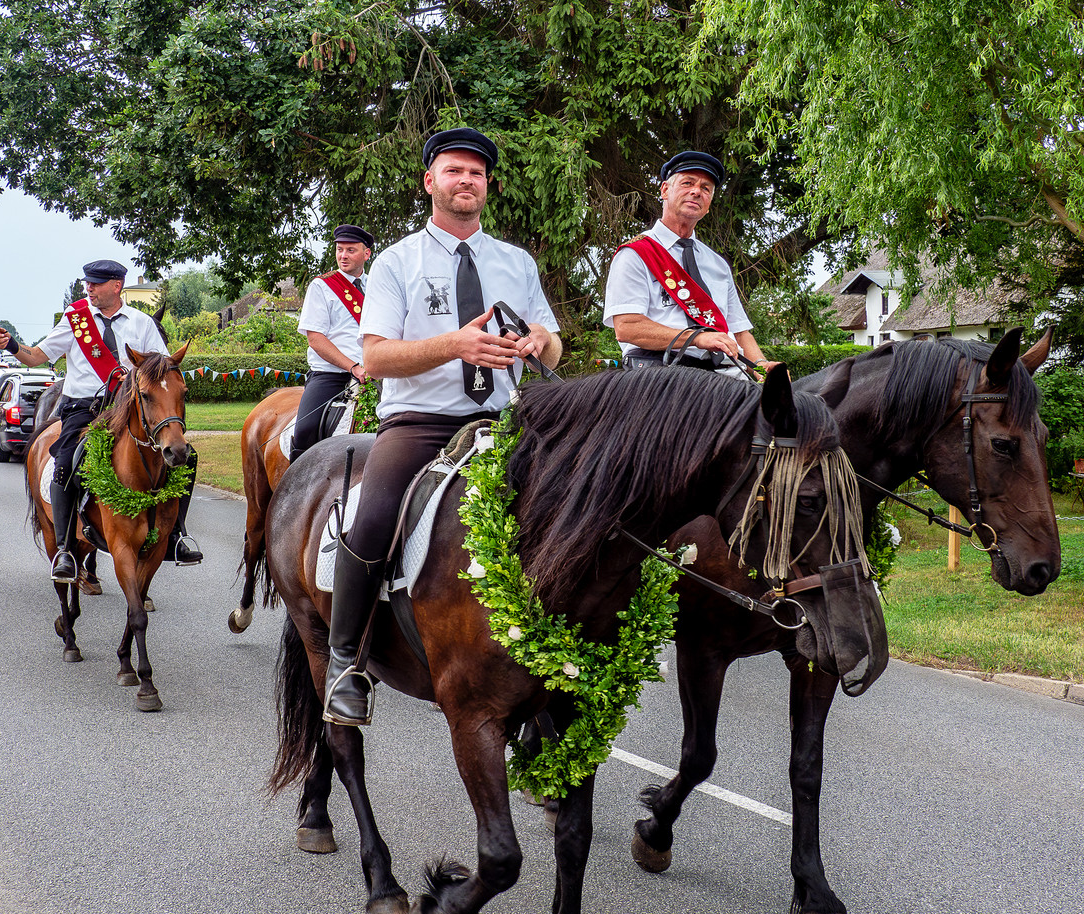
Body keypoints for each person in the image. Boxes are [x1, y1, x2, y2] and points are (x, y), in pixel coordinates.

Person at [325, 127, 562, 726]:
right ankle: (344, 662)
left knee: (579, 513)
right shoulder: (396, 263)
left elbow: (553, 346)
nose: (466, 181)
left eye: (476, 173)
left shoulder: (516, 261)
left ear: (488, 186)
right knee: (372, 516)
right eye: (454, 171)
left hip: (510, 420)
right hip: (421, 422)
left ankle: (558, 665)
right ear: (430, 181)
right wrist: (454, 345)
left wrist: (540, 342)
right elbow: (375, 357)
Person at [0, 259, 203, 581]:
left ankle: (176, 536)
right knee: (64, 463)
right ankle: (64, 549)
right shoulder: (75, 320)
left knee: (187, 457)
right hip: (83, 408)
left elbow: (163, 367)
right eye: (87, 283)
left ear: (116, 286)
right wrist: (13, 346)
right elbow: (36, 356)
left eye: (96, 283)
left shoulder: (142, 323)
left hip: (129, 408)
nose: (88, 288)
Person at [603, 150, 769, 373]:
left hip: (725, 376)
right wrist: (697, 338)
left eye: (705, 188)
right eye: (687, 183)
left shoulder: (717, 264)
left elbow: (740, 332)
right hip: (661, 374)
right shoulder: (635, 254)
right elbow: (627, 328)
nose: (696, 192)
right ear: (665, 190)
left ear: (709, 203)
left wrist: (763, 368)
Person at [291, 223, 375, 461]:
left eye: (350, 250)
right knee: (306, 428)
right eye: (340, 249)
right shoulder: (322, 286)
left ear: (366, 253)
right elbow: (316, 339)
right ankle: (297, 487)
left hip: (376, 373)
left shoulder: (377, 285)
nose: (343, 256)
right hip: (331, 375)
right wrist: (353, 367)